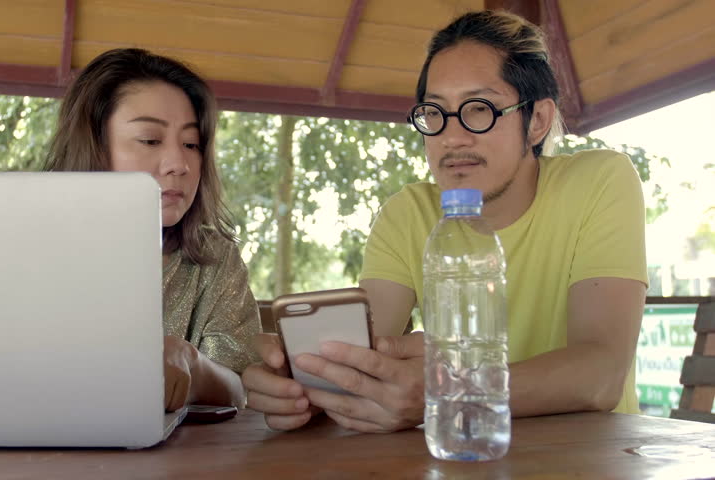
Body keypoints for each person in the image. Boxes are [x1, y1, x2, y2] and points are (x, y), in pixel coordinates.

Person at [242, 9, 647, 432]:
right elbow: (366, 357)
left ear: (538, 122)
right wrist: (305, 384)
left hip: (594, 454)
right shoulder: (408, 213)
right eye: (435, 113)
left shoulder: (598, 182)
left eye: (480, 108)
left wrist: (449, 389)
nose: (451, 137)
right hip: (459, 452)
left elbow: (601, 375)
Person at [45, 48, 260, 411]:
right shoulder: (26, 248)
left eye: (191, 144)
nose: (179, 164)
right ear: (94, 145)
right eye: (149, 140)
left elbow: (241, 387)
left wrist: (192, 365)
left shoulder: (214, 258)